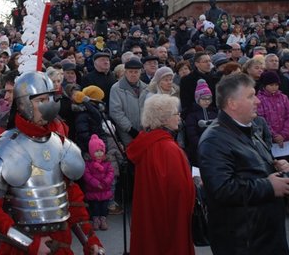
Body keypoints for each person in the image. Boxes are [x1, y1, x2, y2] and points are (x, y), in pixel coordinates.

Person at [0, 71, 104, 255]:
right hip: (20, 248)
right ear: (24, 104)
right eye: (41, 100)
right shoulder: (4, 148)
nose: (48, 106)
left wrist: (89, 239)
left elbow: (72, 199)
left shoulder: (61, 144)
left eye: (50, 99)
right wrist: (29, 243)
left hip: (60, 244)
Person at [198, 73, 289, 254]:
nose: (257, 101)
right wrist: (268, 186)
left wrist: (278, 168)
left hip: (265, 235)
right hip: (244, 242)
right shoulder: (214, 140)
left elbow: (253, 169)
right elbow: (221, 190)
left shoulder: (250, 129)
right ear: (232, 103)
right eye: (250, 96)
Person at [127, 94, 195, 255]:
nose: (179, 117)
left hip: (150, 212)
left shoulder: (145, 142)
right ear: (164, 119)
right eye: (175, 114)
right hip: (169, 218)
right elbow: (181, 189)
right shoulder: (168, 148)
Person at [109, 58, 148, 147]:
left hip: (145, 131)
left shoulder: (146, 88)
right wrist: (130, 129)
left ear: (140, 73)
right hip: (127, 132)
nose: (133, 74)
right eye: (130, 72)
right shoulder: (116, 88)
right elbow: (115, 112)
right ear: (125, 72)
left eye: (136, 72)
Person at [82, 134, 114, 231]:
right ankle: (96, 220)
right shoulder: (88, 164)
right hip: (93, 190)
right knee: (94, 207)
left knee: (104, 207)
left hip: (105, 189)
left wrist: (105, 182)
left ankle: (103, 219)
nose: (99, 153)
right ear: (91, 152)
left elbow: (111, 173)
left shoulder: (107, 163)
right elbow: (87, 175)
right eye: (96, 151)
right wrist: (96, 183)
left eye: (101, 151)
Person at [256, 71, 289, 147]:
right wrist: (274, 135)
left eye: (276, 85)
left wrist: (284, 133)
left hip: (285, 138)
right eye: (271, 85)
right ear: (264, 85)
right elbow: (261, 118)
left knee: (286, 157)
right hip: (268, 139)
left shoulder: (283, 97)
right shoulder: (259, 100)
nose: (274, 87)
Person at [184, 79, 217, 166]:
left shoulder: (214, 113)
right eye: (204, 99)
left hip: (214, 149)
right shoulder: (192, 115)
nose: (207, 101)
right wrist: (201, 145)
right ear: (197, 99)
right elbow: (192, 134)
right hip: (198, 151)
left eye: (209, 98)